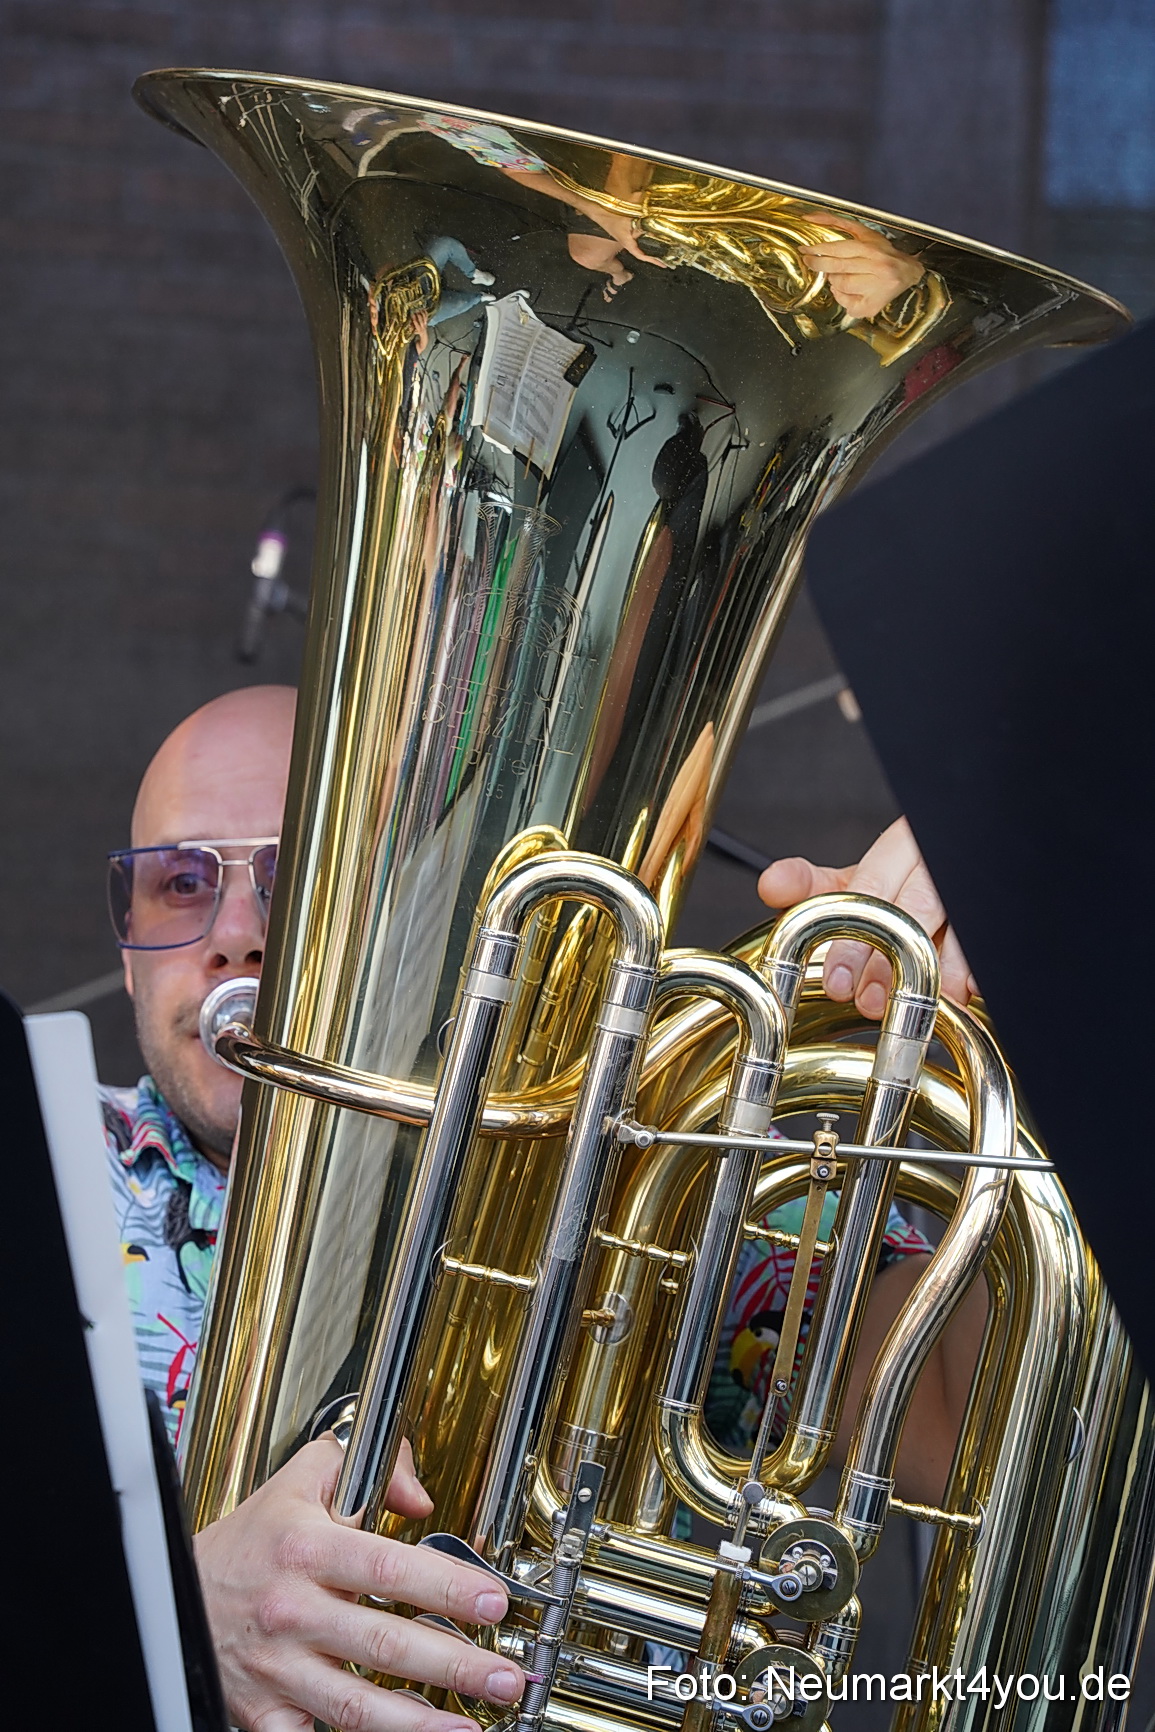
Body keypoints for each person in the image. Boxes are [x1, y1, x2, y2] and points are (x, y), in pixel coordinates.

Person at [103, 684, 982, 1731]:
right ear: (124, 944)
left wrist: (1038, 1002)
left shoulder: (664, 1171)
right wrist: (170, 1617)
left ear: (413, 907)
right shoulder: (34, 1178)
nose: (238, 935)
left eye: (302, 874)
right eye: (180, 882)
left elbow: (963, 1414)